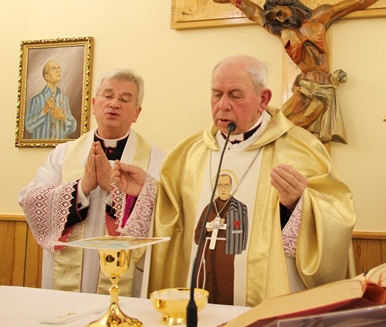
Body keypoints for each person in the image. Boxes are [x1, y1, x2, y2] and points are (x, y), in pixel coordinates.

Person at [117, 54, 356, 307]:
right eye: (216, 94)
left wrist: (296, 204)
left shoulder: (301, 149)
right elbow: (172, 219)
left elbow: (336, 215)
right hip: (198, 294)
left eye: (235, 95)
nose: (223, 105)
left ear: (263, 99)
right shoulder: (188, 153)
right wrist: (147, 192)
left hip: (267, 302)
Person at [18, 69, 165, 297]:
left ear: (137, 112)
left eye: (124, 99)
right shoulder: (63, 154)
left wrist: (114, 190)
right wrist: (81, 188)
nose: (114, 104)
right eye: (108, 96)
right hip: (66, 277)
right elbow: (31, 200)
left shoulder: (156, 160)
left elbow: (163, 216)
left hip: (126, 274)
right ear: (94, 104)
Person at [212, 0, 386, 144]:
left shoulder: (319, 17)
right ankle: (244, 145)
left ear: (290, 5)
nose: (279, 19)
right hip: (304, 85)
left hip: (322, 86)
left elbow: (357, 1)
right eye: (275, 17)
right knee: (276, 124)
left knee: (297, 126)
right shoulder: (281, 30)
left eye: (280, 13)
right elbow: (255, 13)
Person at [193, 172, 248, 304]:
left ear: (231, 187)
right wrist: (208, 228)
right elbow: (197, 236)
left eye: (226, 185)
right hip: (206, 252)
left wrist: (227, 224)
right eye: (220, 185)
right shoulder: (209, 208)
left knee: (223, 285)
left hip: (225, 253)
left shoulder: (239, 208)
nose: (223, 189)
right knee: (207, 284)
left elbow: (242, 233)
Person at [24, 60, 77, 139]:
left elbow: (73, 127)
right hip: (40, 146)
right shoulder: (36, 99)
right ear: (47, 76)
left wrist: (64, 117)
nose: (58, 71)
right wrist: (44, 110)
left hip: (60, 146)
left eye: (58, 68)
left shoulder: (64, 99)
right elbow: (28, 126)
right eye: (54, 69)